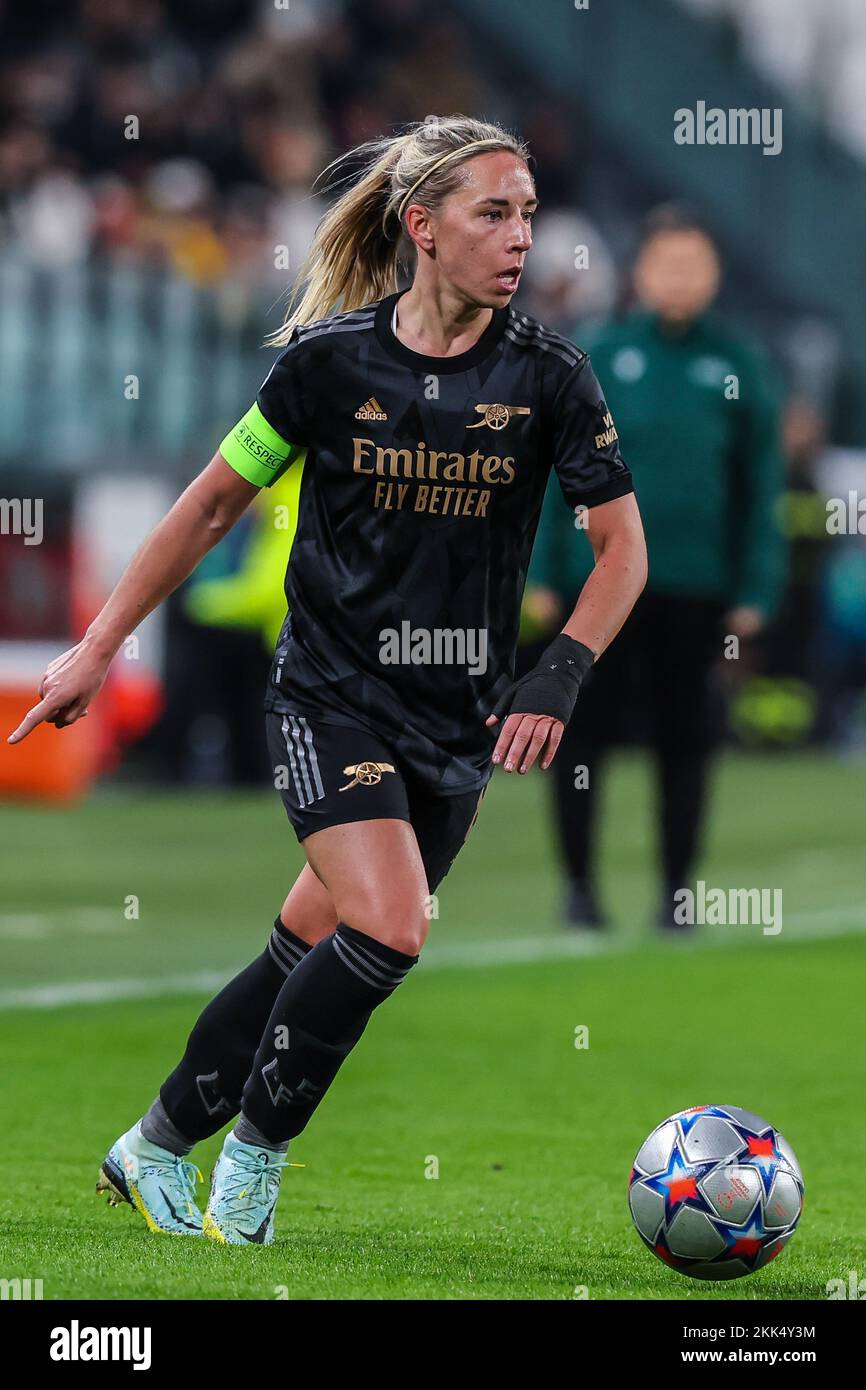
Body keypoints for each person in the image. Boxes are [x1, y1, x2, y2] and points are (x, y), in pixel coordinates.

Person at [8, 116, 646, 1245]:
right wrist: (99, 645)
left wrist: (559, 673)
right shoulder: (326, 364)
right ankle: (252, 1160)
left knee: (307, 950)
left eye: (529, 213)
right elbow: (210, 503)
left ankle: (152, 1141)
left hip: (460, 714)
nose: (520, 238)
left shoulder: (550, 378)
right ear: (422, 227)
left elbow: (619, 551)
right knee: (392, 927)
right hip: (327, 694)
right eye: (493, 212)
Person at [526, 205, 785, 931]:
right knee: (581, 738)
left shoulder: (738, 365)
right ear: (641, 273)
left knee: (687, 740)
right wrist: (544, 572)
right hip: (600, 585)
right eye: (666, 264)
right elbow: (554, 472)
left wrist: (756, 587)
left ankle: (677, 894)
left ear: (713, 275)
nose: (679, 279)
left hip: (696, 588)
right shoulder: (601, 354)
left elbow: (760, 485)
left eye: (693, 265)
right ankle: (579, 890)